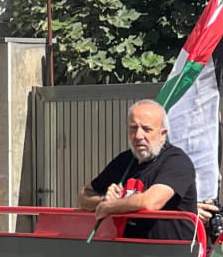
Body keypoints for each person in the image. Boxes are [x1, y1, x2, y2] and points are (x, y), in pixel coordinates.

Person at [77, 101, 197, 240]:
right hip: (128, 253)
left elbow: (151, 202)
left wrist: (111, 206)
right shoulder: (124, 161)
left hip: (171, 254)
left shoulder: (176, 161)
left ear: (163, 134)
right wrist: (104, 199)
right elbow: (83, 197)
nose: (138, 136)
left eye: (146, 129)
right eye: (133, 128)